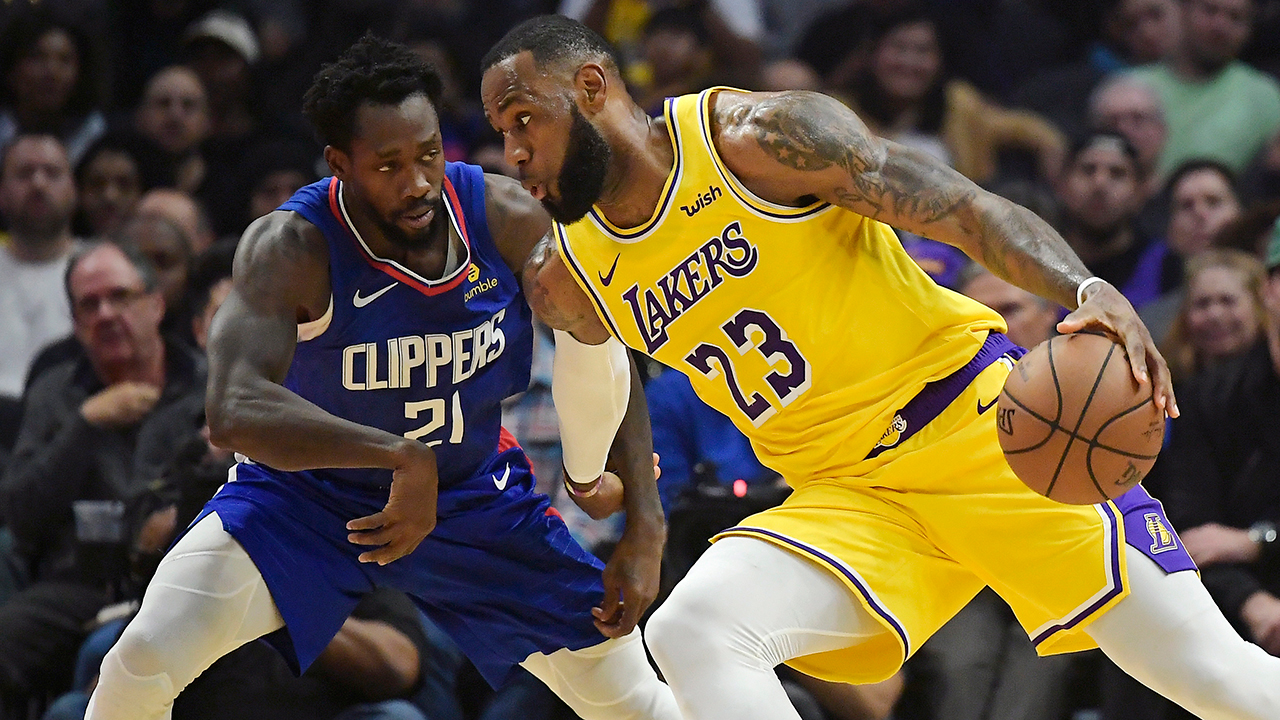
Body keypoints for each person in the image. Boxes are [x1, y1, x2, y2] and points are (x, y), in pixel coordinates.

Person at [480, 15, 1280, 720]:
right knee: (697, 630)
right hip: (848, 498)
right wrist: (592, 474)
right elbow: (596, 369)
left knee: (1225, 688)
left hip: (989, 436)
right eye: (502, 133)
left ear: (590, 87)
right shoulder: (568, 271)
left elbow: (962, 207)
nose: (514, 154)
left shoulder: (754, 141)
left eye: (525, 122)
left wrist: (1087, 286)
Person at [85, 35, 679, 720]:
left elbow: (604, 343)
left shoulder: (506, 216)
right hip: (306, 503)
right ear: (341, 164)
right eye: (389, 165)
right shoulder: (292, 246)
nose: (418, 181)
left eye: (428, 154)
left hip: (473, 498)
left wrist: (646, 522)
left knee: (634, 702)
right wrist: (396, 454)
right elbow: (232, 409)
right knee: (138, 663)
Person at [0, 241, 205, 705]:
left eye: (120, 296)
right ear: (75, 324)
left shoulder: (205, 385)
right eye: (89, 305)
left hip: (183, 588)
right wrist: (84, 426)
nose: (105, 314)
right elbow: (20, 517)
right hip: (80, 585)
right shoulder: (57, 395)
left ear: (155, 304)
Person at [1127, 0, 1280, 178]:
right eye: (1210, 10)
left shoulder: (1265, 97)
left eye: (1235, 17)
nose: (1220, 25)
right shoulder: (1131, 86)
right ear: (1183, 12)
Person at [1160, 248, 1267, 381]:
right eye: (1202, 303)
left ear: (1259, 305)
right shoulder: (1167, 383)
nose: (1214, 315)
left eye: (1227, 301)